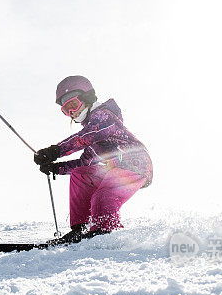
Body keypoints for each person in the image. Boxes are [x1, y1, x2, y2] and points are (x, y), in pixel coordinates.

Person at [34, 75, 152, 243]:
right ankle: (80, 228)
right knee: (80, 174)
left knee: (102, 196)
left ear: (87, 98)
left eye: (73, 105)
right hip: (113, 168)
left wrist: (55, 151)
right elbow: (84, 162)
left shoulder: (104, 116)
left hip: (135, 165)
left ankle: (106, 233)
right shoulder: (93, 136)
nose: (71, 113)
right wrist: (55, 168)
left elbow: (87, 136)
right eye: (66, 110)